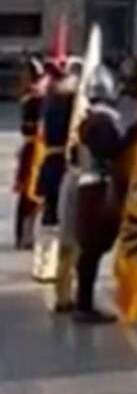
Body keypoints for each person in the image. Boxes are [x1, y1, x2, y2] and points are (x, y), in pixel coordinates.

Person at [71, 68, 137, 323]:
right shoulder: (100, 122)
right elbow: (111, 151)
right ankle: (83, 304)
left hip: (93, 188)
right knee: (92, 249)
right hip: (97, 190)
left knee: (91, 250)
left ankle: (83, 301)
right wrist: (133, 134)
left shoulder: (93, 120)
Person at [33, 60, 79, 283]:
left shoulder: (50, 100)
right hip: (60, 164)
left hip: (51, 161)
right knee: (58, 218)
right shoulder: (65, 104)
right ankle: (51, 265)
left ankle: (43, 264)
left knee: (49, 216)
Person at [12, 59, 46, 251]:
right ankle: (24, 234)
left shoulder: (36, 97)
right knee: (27, 193)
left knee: (33, 194)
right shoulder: (32, 98)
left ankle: (28, 233)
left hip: (37, 148)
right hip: (32, 148)